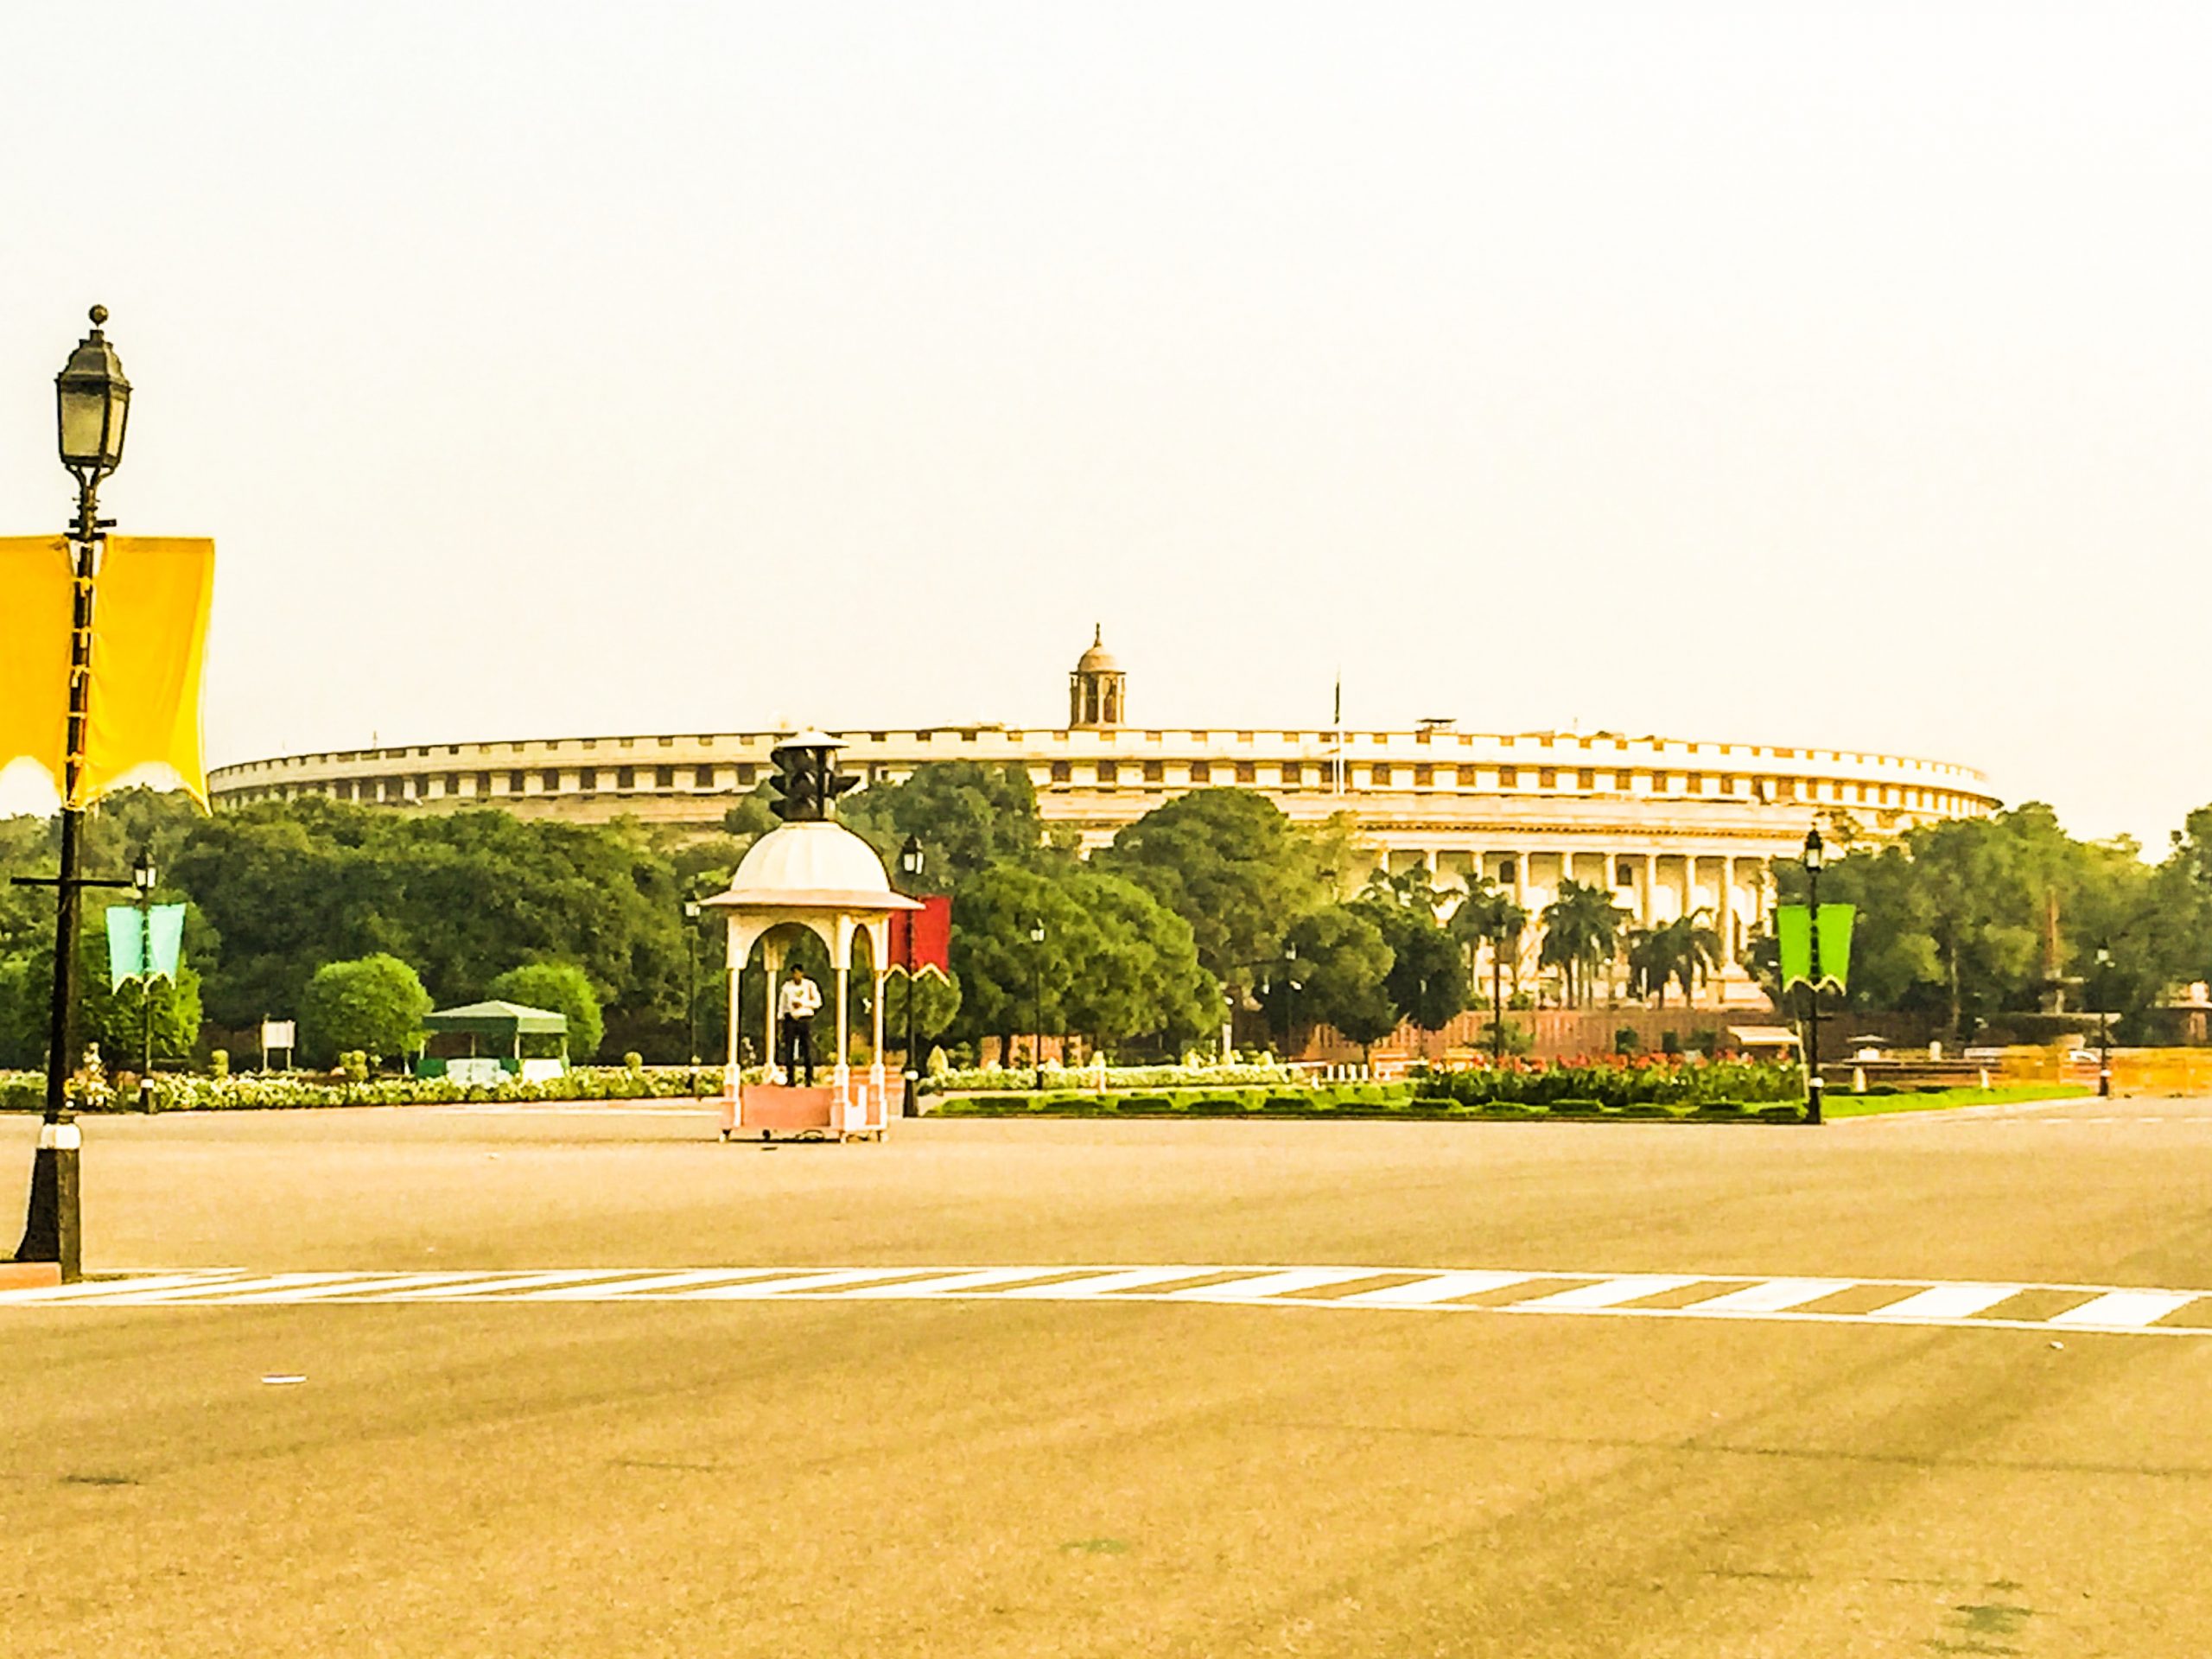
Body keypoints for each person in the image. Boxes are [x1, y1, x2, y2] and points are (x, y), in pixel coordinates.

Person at [778, 963, 823, 1085]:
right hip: (790, 1019)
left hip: (805, 1018)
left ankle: (809, 1077)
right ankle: (790, 1078)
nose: (796, 975)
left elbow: (818, 1002)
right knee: (789, 1049)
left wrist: (803, 1003)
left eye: (798, 973)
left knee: (807, 1047)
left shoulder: (809, 985)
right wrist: (780, 1019)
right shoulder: (787, 987)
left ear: (802, 973)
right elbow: (782, 1004)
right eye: (794, 973)